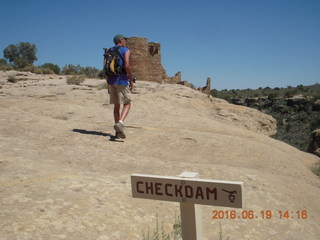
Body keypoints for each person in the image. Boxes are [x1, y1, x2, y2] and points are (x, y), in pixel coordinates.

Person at [106, 34, 134, 139]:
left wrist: (107, 84)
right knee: (127, 103)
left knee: (116, 105)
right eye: (124, 40)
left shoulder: (108, 51)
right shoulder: (125, 50)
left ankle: (117, 132)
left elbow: (105, 69)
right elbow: (126, 65)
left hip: (111, 81)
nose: (125, 42)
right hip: (121, 80)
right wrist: (131, 80)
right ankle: (120, 123)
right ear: (121, 40)